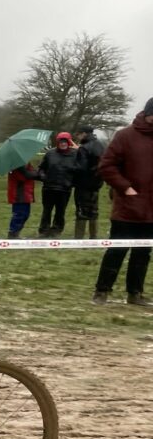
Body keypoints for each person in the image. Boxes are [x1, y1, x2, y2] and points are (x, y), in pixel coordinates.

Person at [92, 97, 153, 307]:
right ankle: (102, 291)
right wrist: (125, 188)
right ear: (147, 114)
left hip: (151, 210)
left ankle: (135, 293)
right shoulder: (125, 136)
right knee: (117, 249)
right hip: (127, 208)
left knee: (143, 252)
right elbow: (106, 166)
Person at [36, 132, 81, 237]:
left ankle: (56, 230)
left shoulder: (75, 154)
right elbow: (41, 168)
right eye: (61, 141)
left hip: (65, 188)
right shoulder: (50, 154)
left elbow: (80, 169)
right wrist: (43, 177)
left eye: (65, 141)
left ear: (69, 142)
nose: (63, 144)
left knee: (60, 211)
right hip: (49, 188)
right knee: (47, 210)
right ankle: (44, 230)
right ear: (58, 142)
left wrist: (72, 182)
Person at [73, 125, 105, 239]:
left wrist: (72, 168)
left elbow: (80, 168)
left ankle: (78, 238)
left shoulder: (84, 148)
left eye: (78, 134)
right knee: (93, 211)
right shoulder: (100, 145)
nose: (77, 137)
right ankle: (93, 237)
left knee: (81, 211)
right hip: (97, 183)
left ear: (84, 133)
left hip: (83, 184)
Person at [6, 162, 42, 239]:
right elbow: (25, 176)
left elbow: (31, 173)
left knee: (25, 214)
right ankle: (13, 233)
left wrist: (35, 173)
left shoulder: (24, 163)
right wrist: (37, 174)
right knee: (19, 214)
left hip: (25, 193)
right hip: (19, 194)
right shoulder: (16, 164)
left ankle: (16, 233)